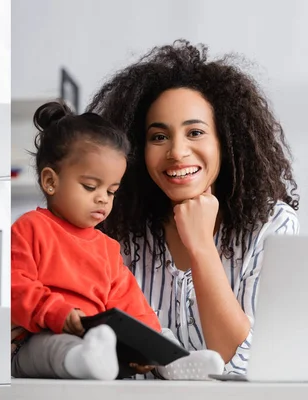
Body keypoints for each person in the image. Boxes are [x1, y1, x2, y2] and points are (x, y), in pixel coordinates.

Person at [86, 40, 300, 376]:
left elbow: (238, 361)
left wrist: (201, 245)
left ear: (225, 142)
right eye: (159, 137)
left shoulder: (271, 226)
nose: (177, 152)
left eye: (195, 132)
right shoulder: (118, 230)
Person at [11, 101, 224, 381]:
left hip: (98, 340)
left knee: (156, 331)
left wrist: (148, 342)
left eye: (112, 191)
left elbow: (129, 301)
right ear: (50, 181)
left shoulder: (106, 247)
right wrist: (55, 312)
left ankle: (172, 360)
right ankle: (84, 360)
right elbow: (16, 286)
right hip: (38, 338)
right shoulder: (30, 228)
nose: (102, 198)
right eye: (90, 187)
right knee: (56, 346)